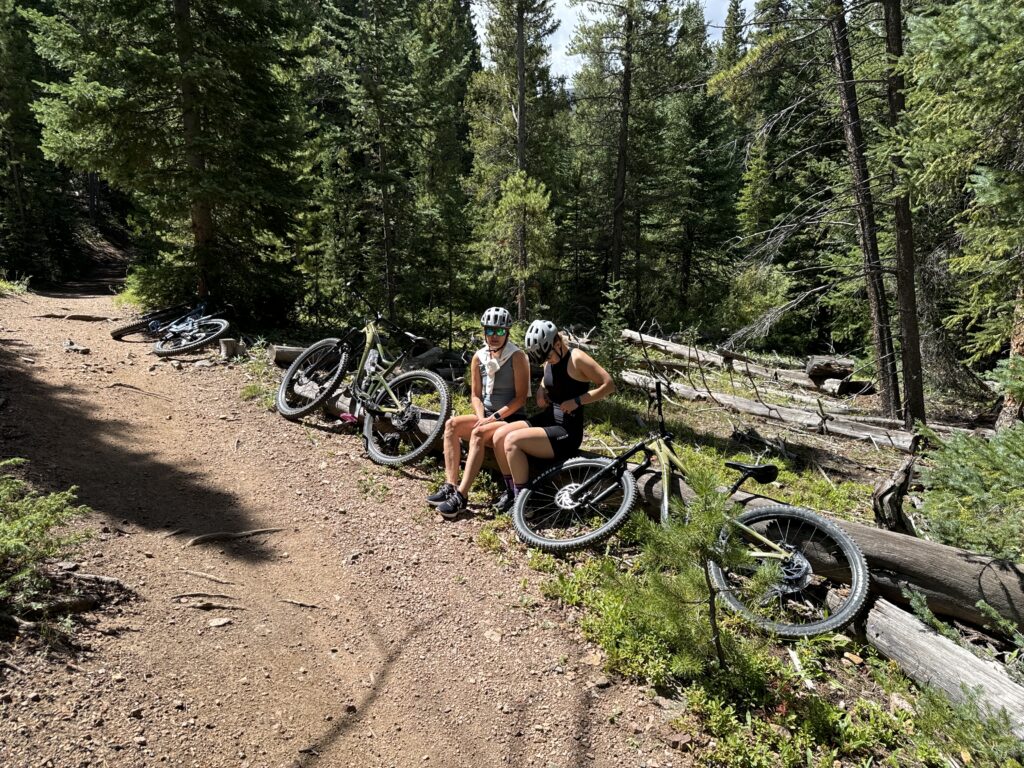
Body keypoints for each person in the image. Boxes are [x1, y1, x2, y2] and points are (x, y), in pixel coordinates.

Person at [491, 320, 615, 507]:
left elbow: (608, 385)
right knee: (499, 435)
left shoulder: (577, 358)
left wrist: (577, 401)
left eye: (548, 356)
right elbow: (547, 377)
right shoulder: (549, 358)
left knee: (512, 441)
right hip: (548, 419)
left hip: (566, 431)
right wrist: (541, 391)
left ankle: (524, 501)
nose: (547, 361)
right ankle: (510, 491)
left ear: (557, 343)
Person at [426, 307, 530, 520]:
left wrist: (494, 418)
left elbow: (520, 399)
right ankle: (450, 484)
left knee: (478, 434)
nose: (493, 336)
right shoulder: (478, 357)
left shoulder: (517, 356)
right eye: (490, 331)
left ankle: (461, 496)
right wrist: (482, 417)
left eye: (499, 331)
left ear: (507, 332)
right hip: (488, 416)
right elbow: (475, 395)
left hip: (509, 419)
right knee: (451, 425)